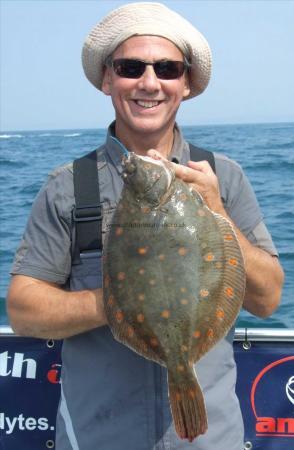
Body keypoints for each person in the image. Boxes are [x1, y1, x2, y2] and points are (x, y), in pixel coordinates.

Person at [7, 2, 284, 449]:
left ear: (187, 83)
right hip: (100, 437)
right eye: (131, 67)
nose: (149, 83)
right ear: (107, 79)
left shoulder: (223, 177)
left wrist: (216, 208)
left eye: (168, 68)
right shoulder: (67, 188)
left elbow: (268, 298)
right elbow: (22, 310)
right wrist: (125, 305)